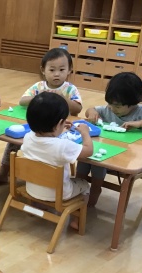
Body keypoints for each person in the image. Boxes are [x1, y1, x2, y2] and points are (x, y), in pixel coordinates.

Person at [0, 47, 82, 185]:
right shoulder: (39, 86)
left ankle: (48, 175)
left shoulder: (70, 89)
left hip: (59, 129)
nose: (57, 74)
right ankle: (4, 173)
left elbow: (77, 108)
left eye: (62, 70)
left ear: (69, 70)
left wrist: (63, 98)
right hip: (39, 127)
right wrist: (41, 97)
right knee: (13, 143)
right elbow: (23, 101)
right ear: (43, 70)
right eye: (52, 70)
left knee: (51, 150)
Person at [78, 72, 142, 206]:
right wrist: (92, 113)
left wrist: (139, 123)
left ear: (132, 103)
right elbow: (91, 110)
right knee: (84, 159)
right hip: (107, 153)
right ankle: (80, 187)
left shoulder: (141, 112)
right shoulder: (109, 109)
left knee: (97, 163)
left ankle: (95, 189)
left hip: (128, 160)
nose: (112, 108)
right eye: (109, 104)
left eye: (117, 106)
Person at [21, 92, 93, 229]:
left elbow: (47, 141)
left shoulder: (28, 137)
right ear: (59, 123)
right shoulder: (63, 146)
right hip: (59, 194)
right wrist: (85, 133)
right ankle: (76, 220)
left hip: (31, 188)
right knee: (84, 185)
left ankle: (37, 205)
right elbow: (88, 151)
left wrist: (58, 128)